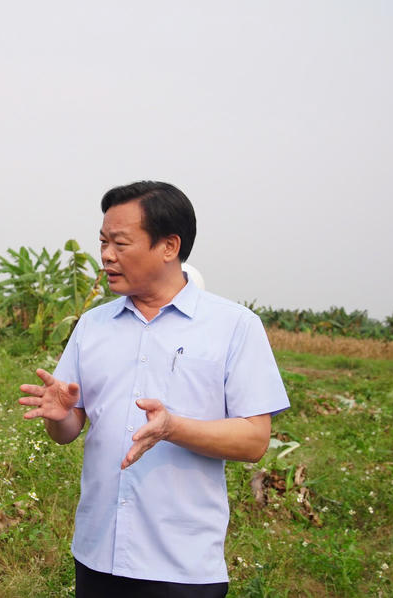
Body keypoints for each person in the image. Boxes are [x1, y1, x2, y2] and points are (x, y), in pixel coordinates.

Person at [18, 181, 289, 598]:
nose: (107, 255)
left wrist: (172, 428)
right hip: (97, 554)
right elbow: (68, 431)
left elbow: (254, 440)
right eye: (103, 241)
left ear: (168, 246)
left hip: (182, 564)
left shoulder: (234, 326)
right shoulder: (92, 326)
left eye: (120, 243)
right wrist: (60, 417)